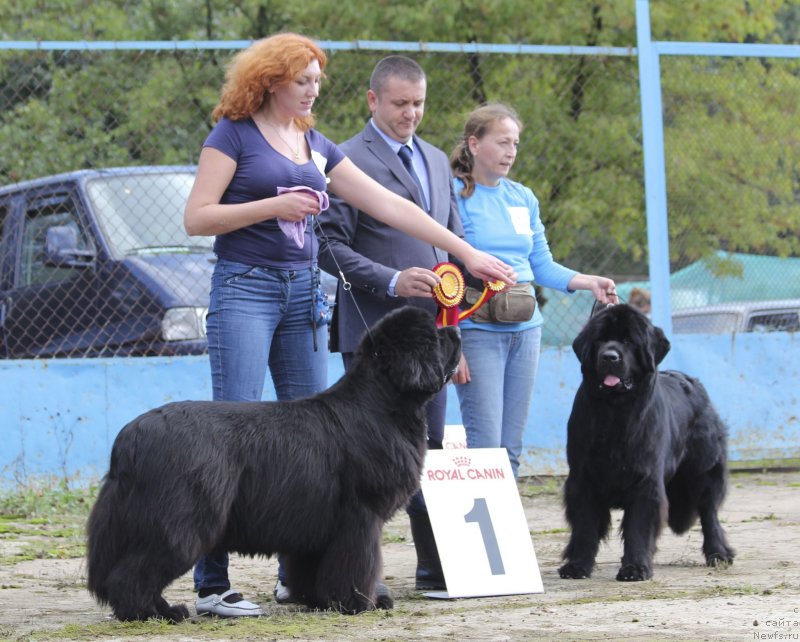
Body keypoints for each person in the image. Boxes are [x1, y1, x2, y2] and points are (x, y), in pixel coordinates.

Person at [183, 34, 513, 618]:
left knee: (309, 445)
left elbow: (394, 207)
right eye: (301, 80)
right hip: (246, 289)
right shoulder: (231, 135)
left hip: (303, 295)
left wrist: (467, 252)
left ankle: (297, 578)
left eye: (316, 80)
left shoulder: (314, 142)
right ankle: (212, 582)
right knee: (229, 426)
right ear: (269, 81)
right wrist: (272, 207)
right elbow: (197, 217)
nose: (312, 90)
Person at [318, 55, 455, 591]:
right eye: (400, 103)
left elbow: (451, 241)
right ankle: (352, 574)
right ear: (373, 100)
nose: (411, 114)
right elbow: (329, 248)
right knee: (366, 461)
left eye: (419, 103)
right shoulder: (345, 160)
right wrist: (394, 280)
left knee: (432, 449)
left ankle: (437, 568)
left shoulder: (439, 160)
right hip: (374, 341)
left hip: (431, 341)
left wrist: (458, 302)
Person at [449, 103, 618, 479]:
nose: (511, 151)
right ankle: (481, 538)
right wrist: (450, 338)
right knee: (485, 444)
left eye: (516, 144)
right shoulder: (452, 195)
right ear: (474, 144)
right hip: (477, 329)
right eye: (502, 142)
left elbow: (542, 266)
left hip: (526, 330)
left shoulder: (523, 197)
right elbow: (442, 266)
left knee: (510, 446)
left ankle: (504, 535)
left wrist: (588, 281)